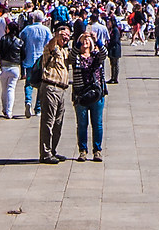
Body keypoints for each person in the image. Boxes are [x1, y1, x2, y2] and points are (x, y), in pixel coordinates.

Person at [35, 34, 73, 162]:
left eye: (67, 35)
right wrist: (56, 37)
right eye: (63, 36)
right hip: (50, 87)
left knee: (58, 122)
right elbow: (51, 45)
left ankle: (52, 150)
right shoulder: (51, 48)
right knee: (48, 122)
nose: (65, 38)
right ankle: (45, 153)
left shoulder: (65, 51)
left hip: (62, 89)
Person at [72, 30, 109, 160]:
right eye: (83, 41)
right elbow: (72, 55)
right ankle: (82, 150)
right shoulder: (76, 57)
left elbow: (105, 53)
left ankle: (97, 150)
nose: (85, 42)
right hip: (81, 95)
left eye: (88, 41)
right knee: (82, 124)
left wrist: (96, 38)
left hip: (96, 94)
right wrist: (79, 40)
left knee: (97, 123)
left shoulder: (96, 56)